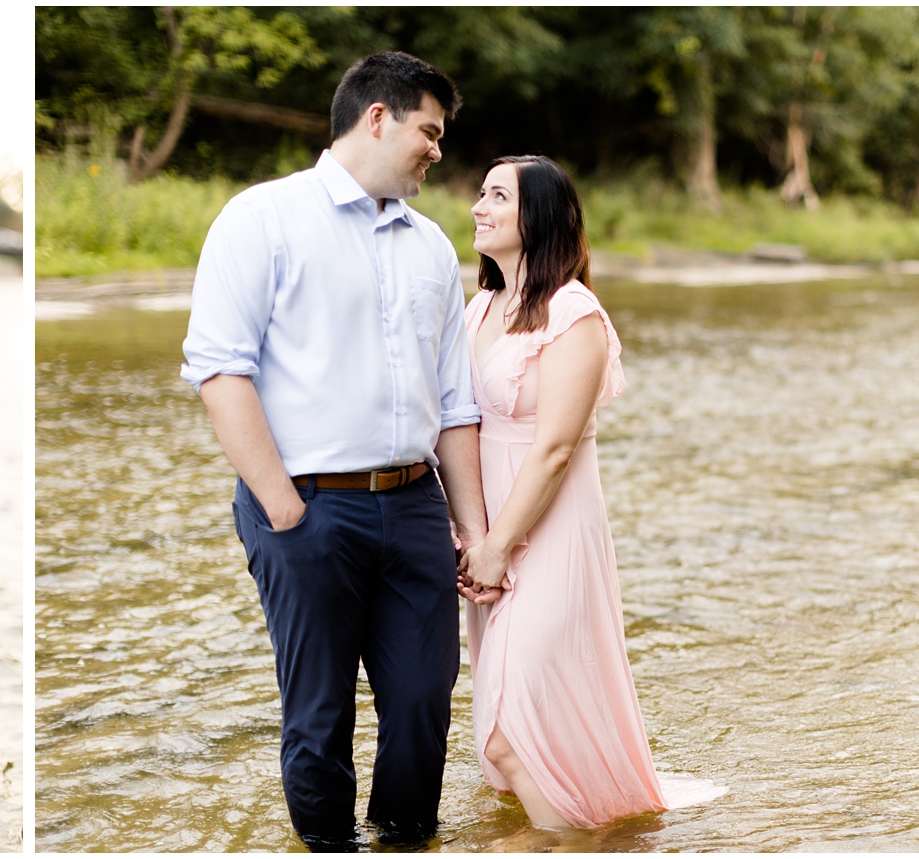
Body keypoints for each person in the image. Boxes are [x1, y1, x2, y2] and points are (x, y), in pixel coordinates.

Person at [180, 51, 489, 851]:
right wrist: (284, 506)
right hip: (306, 505)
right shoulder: (261, 217)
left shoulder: (429, 246)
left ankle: (404, 838)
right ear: (376, 117)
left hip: (415, 503)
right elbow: (221, 370)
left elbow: (454, 405)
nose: (437, 149)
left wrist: (475, 529)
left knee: (424, 698)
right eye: (429, 130)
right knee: (319, 713)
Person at [457, 155, 727, 829]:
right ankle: (571, 831)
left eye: (496, 196)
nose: (478, 207)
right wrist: (468, 538)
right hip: (484, 536)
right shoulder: (481, 305)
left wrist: (497, 547)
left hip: (546, 534)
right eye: (480, 194)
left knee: (508, 734)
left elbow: (551, 449)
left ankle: (579, 846)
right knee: (505, 728)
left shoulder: (572, 312)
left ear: (539, 216)